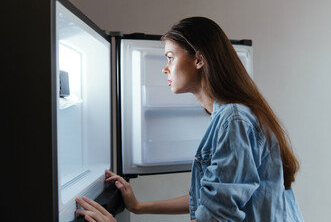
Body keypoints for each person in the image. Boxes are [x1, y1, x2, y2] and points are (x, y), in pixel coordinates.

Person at [76, 17, 304, 222]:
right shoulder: (230, 116)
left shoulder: (234, 120)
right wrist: (138, 207)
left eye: (170, 57)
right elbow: (212, 200)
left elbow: (216, 216)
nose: (165, 68)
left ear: (199, 60)